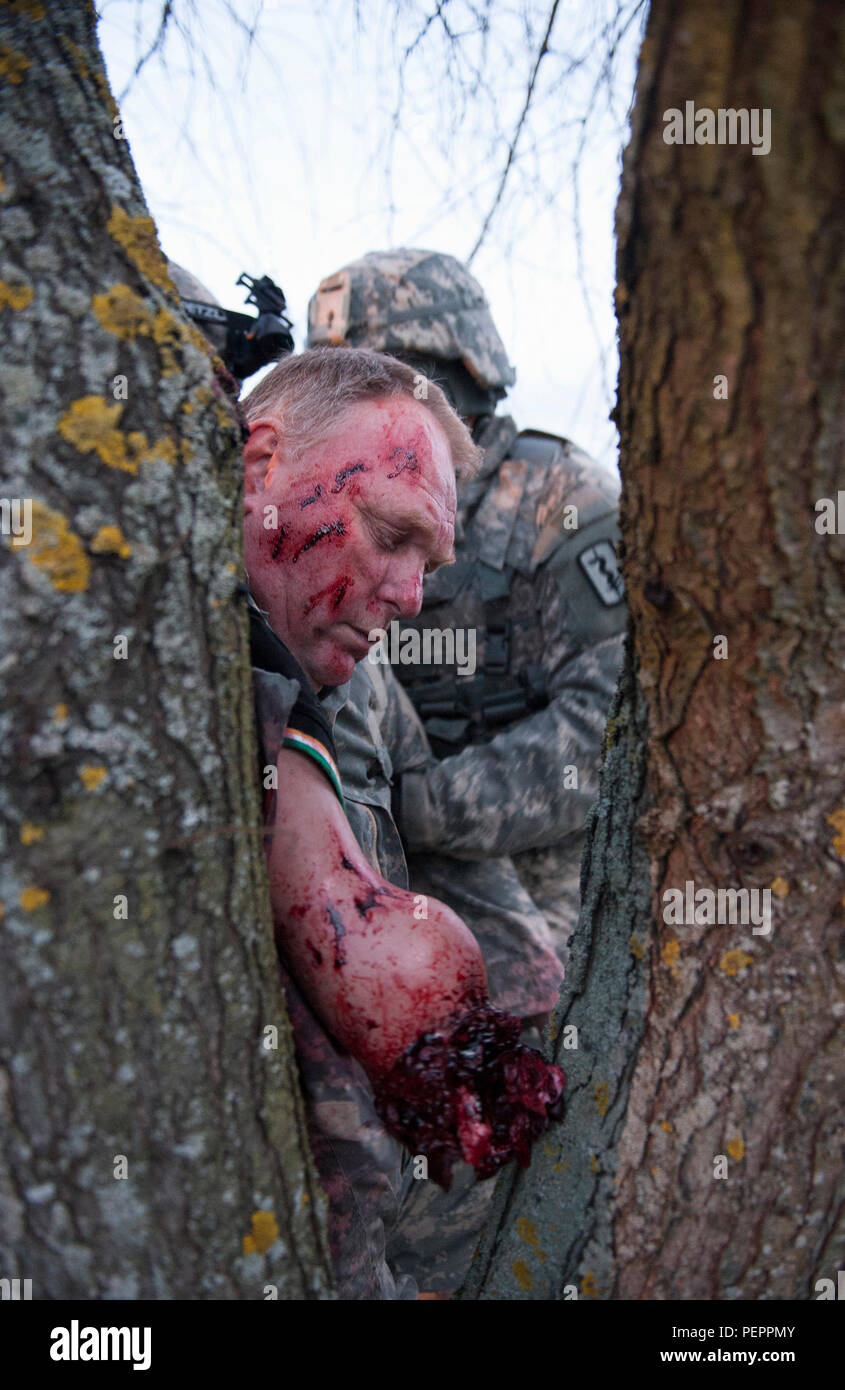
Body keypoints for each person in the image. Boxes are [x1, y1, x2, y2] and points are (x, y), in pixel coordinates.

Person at [307, 248, 627, 1293]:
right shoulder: (333, 494)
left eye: (383, 372)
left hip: (526, 900)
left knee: (504, 1155)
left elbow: (607, 724)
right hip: (378, 886)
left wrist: (436, 805)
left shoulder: (558, 497)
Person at [239, 346, 565, 1299]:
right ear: (260, 465)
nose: (411, 596)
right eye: (389, 533)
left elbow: (421, 824)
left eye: (430, 559)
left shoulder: (349, 668)